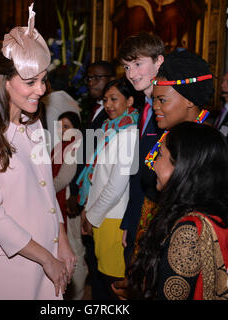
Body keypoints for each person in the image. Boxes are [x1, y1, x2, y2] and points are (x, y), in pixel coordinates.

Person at [0, 4, 76, 300]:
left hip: (46, 252)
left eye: (43, 79)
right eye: (30, 82)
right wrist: (46, 258)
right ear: (4, 81)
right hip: (8, 262)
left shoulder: (33, 124)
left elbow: (47, 189)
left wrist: (61, 240)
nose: (41, 89)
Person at [128, 122, 228, 300]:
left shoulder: (188, 232)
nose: (153, 164)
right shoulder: (211, 215)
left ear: (182, 166)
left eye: (160, 155)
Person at [78, 79, 139, 299]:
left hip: (113, 217)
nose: (109, 105)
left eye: (114, 99)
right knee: (103, 282)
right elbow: (97, 179)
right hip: (101, 216)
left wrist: (91, 216)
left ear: (130, 100)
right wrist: (88, 209)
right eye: (105, 100)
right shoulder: (110, 129)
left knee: (114, 287)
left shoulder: (130, 134)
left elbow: (116, 187)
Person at [118, 32, 165, 267]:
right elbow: (136, 173)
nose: (131, 74)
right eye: (127, 67)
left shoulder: (170, 109)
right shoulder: (144, 109)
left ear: (159, 61)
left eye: (138, 64)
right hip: (139, 213)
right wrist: (130, 221)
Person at [51, 111, 87, 300]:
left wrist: (43, 189)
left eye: (67, 126)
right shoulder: (60, 146)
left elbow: (64, 178)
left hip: (68, 205)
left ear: (76, 127)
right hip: (58, 202)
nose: (63, 130)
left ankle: (78, 294)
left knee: (74, 250)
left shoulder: (75, 146)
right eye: (60, 126)